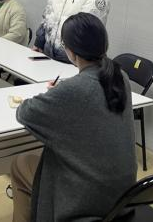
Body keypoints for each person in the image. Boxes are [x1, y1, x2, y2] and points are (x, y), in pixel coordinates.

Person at [11, 12, 136, 222]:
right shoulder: (119, 76)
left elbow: (25, 112)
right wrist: (61, 95)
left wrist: (57, 95)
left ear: (70, 51)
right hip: (124, 193)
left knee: (21, 163)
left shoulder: (74, 89)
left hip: (87, 200)